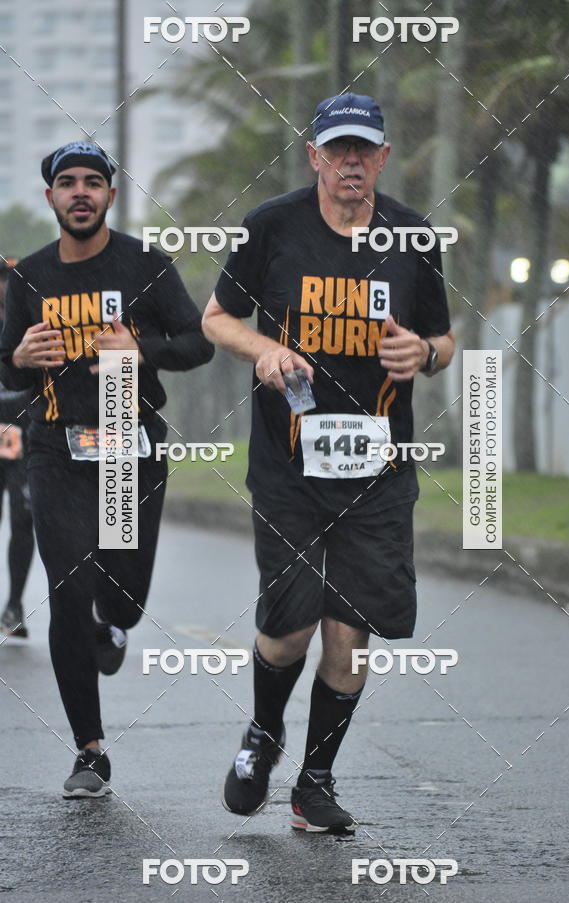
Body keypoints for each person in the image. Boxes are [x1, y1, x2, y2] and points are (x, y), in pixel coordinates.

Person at [203, 93, 455, 834]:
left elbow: (444, 340)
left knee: (350, 632)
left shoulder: (413, 236)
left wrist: (423, 353)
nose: (350, 161)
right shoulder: (270, 227)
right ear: (313, 155)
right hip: (289, 465)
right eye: (336, 148)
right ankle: (262, 733)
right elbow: (216, 319)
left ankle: (314, 782)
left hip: (377, 470)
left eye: (363, 149)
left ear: (382, 157)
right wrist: (265, 350)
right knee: (290, 626)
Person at [0, 141, 214, 798]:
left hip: (128, 450)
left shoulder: (144, 265)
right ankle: (89, 750)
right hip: (56, 450)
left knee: (121, 594)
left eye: (93, 182)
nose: (80, 192)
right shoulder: (30, 276)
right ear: (52, 198)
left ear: (110, 196)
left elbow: (198, 343)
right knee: (68, 590)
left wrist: (140, 348)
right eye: (68, 182)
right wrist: (21, 356)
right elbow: (8, 369)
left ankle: (113, 619)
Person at [0, 257, 35, 639]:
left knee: (24, 520)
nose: (7, 285)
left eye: (14, 278)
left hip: (24, 439)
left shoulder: (34, 325)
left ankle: (14, 605)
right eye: (2, 278)